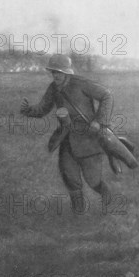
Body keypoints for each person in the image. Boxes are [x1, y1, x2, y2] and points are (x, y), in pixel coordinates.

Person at [20, 53, 114, 213]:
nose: (55, 75)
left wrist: (100, 121)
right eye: (53, 72)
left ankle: (109, 203)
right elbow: (43, 108)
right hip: (66, 138)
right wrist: (28, 110)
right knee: (69, 177)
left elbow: (107, 95)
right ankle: (78, 214)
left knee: (93, 180)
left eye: (58, 72)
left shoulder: (81, 84)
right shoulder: (53, 88)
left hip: (88, 139)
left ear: (66, 72)